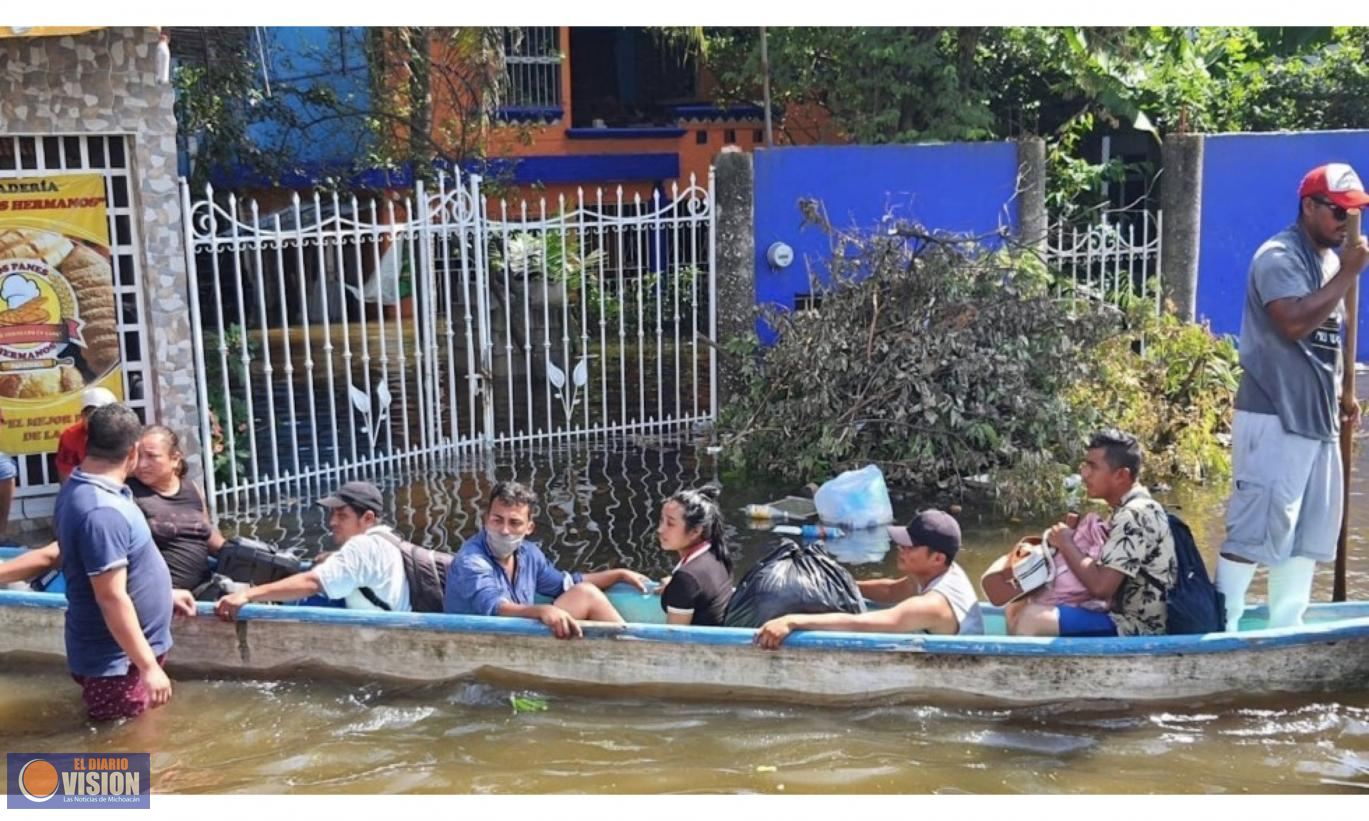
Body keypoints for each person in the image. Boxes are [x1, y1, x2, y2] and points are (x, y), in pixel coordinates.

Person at [1215, 163, 1369, 632]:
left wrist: (1346, 391)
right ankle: (1222, 626)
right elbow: (1295, 323)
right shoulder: (1278, 256)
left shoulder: (1330, 260)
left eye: (1355, 214)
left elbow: (1331, 342)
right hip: (1274, 416)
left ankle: (1286, 629)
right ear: (1309, 206)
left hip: (1319, 420)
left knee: (1308, 536)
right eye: (1338, 212)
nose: (1346, 223)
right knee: (1254, 529)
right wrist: (1348, 274)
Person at [54, 403, 195, 721]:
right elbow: (110, 596)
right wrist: (147, 666)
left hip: (124, 656)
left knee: (141, 749)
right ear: (132, 451)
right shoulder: (100, 510)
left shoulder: (92, 488)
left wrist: (163, 595)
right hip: (118, 662)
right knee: (127, 755)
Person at [1010, 429, 1176, 637]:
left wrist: (1066, 542)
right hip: (1117, 613)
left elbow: (1101, 588)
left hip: (1138, 627)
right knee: (1019, 602)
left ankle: (1023, 671)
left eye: (1093, 467)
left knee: (1032, 619)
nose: (1084, 473)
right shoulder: (1132, 506)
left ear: (1121, 475)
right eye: (1085, 465)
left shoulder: (1134, 515)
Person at [443, 481, 650, 639]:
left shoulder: (528, 554)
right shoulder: (472, 561)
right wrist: (542, 610)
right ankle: (637, 651)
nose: (504, 530)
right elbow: (497, 608)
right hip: (484, 640)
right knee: (585, 595)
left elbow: (565, 584)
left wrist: (618, 574)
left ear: (529, 528)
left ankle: (633, 647)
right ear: (486, 519)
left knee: (584, 593)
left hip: (516, 637)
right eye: (497, 520)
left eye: (514, 523)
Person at [754, 509, 984, 649]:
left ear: (937, 558)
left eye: (910, 546)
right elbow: (892, 591)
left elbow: (865, 624)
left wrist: (793, 621)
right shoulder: (940, 571)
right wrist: (842, 584)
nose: (901, 548)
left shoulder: (934, 604)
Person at [214, 480, 410, 619]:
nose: (332, 522)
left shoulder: (361, 547)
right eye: (332, 514)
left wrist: (248, 595)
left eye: (342, 516)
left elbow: (311, 582)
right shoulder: (388, 540)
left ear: (368, 518)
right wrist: (335, 558)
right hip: (392, 623)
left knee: (299, 599)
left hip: (378, 637)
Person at [128, 425, 226, 593]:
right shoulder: (128, 493)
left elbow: (209, 536)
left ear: (175, 459)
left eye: (151, 457)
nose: (142, 464)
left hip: (201, 589)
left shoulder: (191, 488)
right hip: (160, 596)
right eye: (138, 456)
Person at [655, 486, 733, 626]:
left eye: (670, 524)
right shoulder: (716, 555)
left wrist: (679, 587)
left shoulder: (686, 578)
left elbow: (674, 640)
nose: (660, 529)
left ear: (695, 531)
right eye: (661, 521)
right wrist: (674, 587)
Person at [56, 386, 117, 482]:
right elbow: (66, 475)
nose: (92, 419)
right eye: (88, 413)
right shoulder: (70, 435)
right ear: (82, 415)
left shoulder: (123, 433)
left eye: (99, 414)